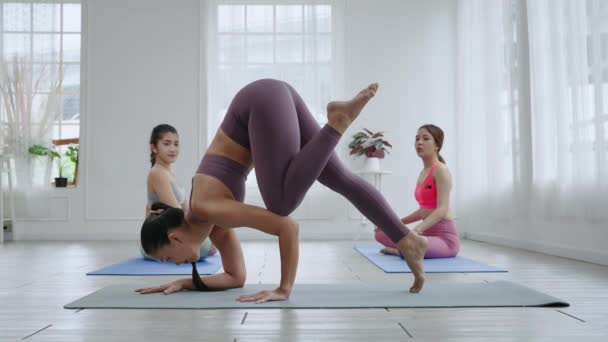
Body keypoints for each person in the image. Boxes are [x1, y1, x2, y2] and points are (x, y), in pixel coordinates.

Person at [136, 79, 428, 303]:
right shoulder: (210, 224)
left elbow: (286, 226)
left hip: (261, 103)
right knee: (341, 179)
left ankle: (336, 124)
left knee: (281, 203)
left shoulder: (206, 209)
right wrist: (187, 283)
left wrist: (283, 288)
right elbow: (236, 277)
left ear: (173, 237)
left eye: (166, 258)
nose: (173, 265)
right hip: (272, 97)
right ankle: (408, 239)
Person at [374, 125, 460, 259]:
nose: (419, 142)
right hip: (424, 236)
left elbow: (442, 209)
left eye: (425, 139)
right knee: (380, 232)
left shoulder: (441, 170)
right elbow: (423, 211)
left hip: (444, 240)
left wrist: (416, 230)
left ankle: (400, 250)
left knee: (414, 243)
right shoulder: (423, 173)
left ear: (437, 145)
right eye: (417, 139)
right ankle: (407, 248)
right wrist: (396, 223)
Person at [143, 124, 216, 261]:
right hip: (157, 241)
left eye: (176, 144)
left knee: (213, 237)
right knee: (209, 246)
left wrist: (204, 224)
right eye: (167, 144)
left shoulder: (169, 173)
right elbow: (176, 211)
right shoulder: (157, 173)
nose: (173, 149)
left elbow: (187, 208)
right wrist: (200, 231)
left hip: (172, 234)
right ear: (153, 147)